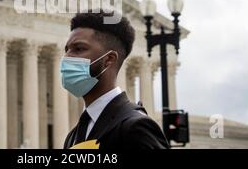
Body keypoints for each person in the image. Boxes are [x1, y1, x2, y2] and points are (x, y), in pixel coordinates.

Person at [61, 10, 169, 149]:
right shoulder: (73, 136)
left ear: (109, 59)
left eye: (79, 49)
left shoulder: (135, 127)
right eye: (67, 50)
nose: (67, 57)